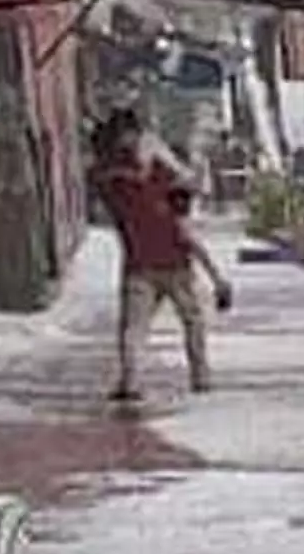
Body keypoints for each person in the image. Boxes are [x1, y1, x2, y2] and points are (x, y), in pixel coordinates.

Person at [90, 111, 228, 404]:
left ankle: (132, 381)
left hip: (141, 265)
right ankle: (200, 376)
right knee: (192, 322)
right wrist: (215, 275)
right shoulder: (157, 175)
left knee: (134, 329)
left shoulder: (110, 180)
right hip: (173, 262)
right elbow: (184, 218)